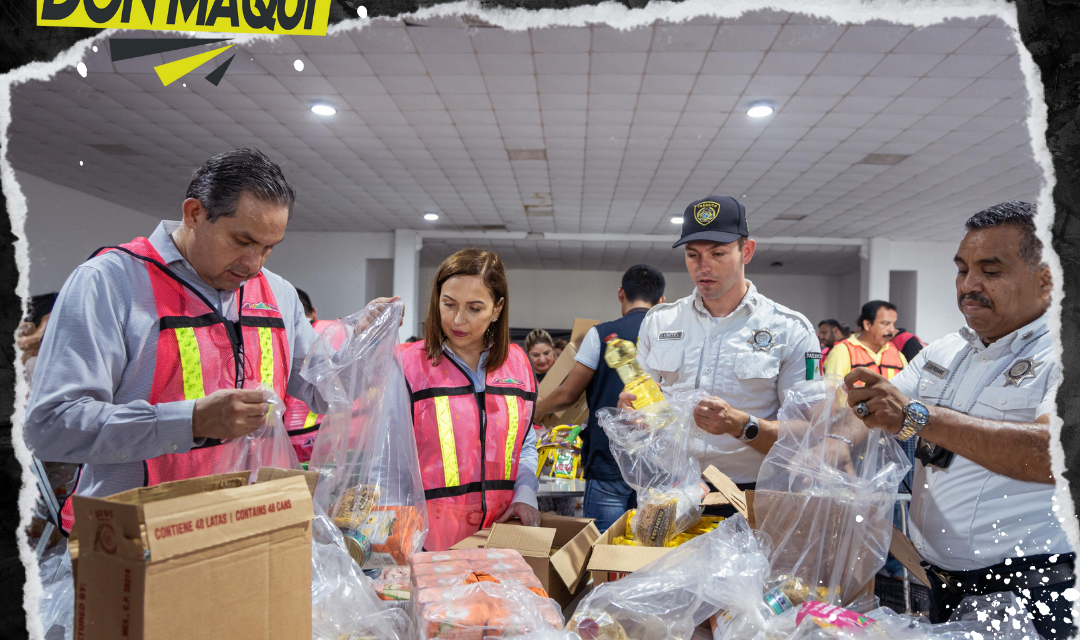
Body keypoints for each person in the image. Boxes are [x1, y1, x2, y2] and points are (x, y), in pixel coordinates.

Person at [22, 148, 380, 535]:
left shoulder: (277, 294)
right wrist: (189, 422)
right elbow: (51, 426)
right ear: (194, 214)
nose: (253, 263)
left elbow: (324, 392)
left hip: (252, 528)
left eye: (268, 247)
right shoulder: (111, 282)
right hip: (140, 538)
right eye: (242, 240)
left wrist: (364, 350)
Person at [843, 201, 1071, 639]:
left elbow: (1052, 453)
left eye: (991, 271)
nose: (969, 285)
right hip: (944, 584)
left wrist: (918, 417)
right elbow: (864, 416)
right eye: (962, 270)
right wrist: (822, 449)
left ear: (1046, 280)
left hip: (1033, 590)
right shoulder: (946, 352)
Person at [624, 196, 821, 512]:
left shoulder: (791, 331)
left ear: (747, 251)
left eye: (718, 253)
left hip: (751, 494)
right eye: (693, 255)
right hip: (670, 488)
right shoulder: (659, 322)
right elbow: (646, 406)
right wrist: (633, 413)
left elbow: (811, 429)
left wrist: (742, 425)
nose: (703, 267)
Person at [400, 248, 540, 550]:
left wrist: (525, 494)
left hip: (498, 536)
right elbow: (388, 459)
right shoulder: (408, 365)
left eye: (474, 308)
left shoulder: (518, 365)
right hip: (426, 540)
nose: (458, 320)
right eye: (448, 304)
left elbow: (525, 443)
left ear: (497, 309)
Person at [535, 265, 666, 532]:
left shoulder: (602, 335)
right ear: (662, 301)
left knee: (603, 554)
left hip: (609, 462)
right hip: (658, 465)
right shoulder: (670, 338)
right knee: (649, 552)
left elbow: (567, 394)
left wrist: (535, 412)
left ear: (621, 293)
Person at [282, 288, 336, 462]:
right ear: (314, 312)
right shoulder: (337, 331)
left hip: (287, 442)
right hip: (337, 438)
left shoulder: (279, 335)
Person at [824, 301, 907, 380]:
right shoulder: (842, 352)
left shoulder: (896, 353)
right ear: (867, 324)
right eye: (885, 324)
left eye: (894, 324)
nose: (892, 330)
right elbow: (833, 391)